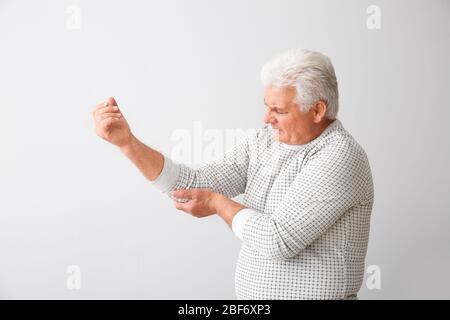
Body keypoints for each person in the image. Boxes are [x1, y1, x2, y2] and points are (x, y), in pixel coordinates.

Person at [91, 48, 374, 300]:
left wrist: (218, 203)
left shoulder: (340, 156)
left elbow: (278, 240)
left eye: (279, 110)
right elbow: (192, 184)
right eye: (267, 106)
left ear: (317, 110)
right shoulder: (266, 140)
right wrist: (127, 143)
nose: (267, 118)